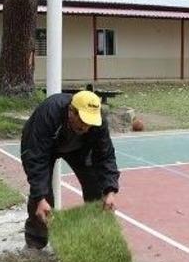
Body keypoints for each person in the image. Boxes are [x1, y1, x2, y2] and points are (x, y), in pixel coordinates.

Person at [20, 90, 120, 249]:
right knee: (43, 196)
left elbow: (105, 156)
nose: (86, 127)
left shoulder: (97, 122)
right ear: (70, 111)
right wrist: (40, 198)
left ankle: (96, 235)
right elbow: (35, 158)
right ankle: (35, 240)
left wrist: (110, 191)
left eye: (89, 123)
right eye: (82, 120)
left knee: (98, 188)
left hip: (79, 148)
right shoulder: (49, 114)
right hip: (43, 145)